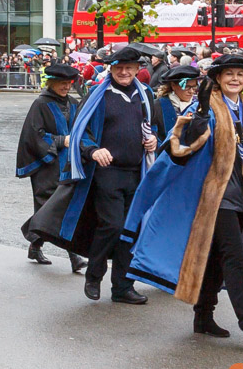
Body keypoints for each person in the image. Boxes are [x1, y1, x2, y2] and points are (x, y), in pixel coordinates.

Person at [123, 54, 243, 348]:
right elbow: (182, 140)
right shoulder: (207, 106)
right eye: (229, 74)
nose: (235, 79)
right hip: (215, 197)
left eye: (239, 74)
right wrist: (199, 114)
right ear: (218, 79)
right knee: (234, 258)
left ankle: (203, 316)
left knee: (216, 261)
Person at [28, 47, 165, 304]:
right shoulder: (97, 95)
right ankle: (94, 274)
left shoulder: (146, 94)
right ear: (110, 69)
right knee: (112, 226)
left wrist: (153, 140)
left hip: (138, 171)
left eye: (129, 68)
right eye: (118, 67)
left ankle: (122, 287)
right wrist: (93, 150)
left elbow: (154, 126)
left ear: (137, 70)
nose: (123, 72)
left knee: (130, 230)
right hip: (106, 173)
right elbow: (81, 132)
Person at [16, 64, 88, 272]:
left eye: (69, 83)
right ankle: (73, 255)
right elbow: (33, 135)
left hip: (68, 164)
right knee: (52, 208)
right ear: (52, 83)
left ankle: (34, 244)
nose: (66, 87)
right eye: (62, 83)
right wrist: (59, 140)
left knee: (60, 207)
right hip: (46, 164)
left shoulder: (74, 103)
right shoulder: (40, 104)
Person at [155, 65, 201, 137]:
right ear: (173, 85)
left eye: (194, 87)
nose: (191, 91)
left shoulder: (198, 105)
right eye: (187, 87)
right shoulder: (158, 106)